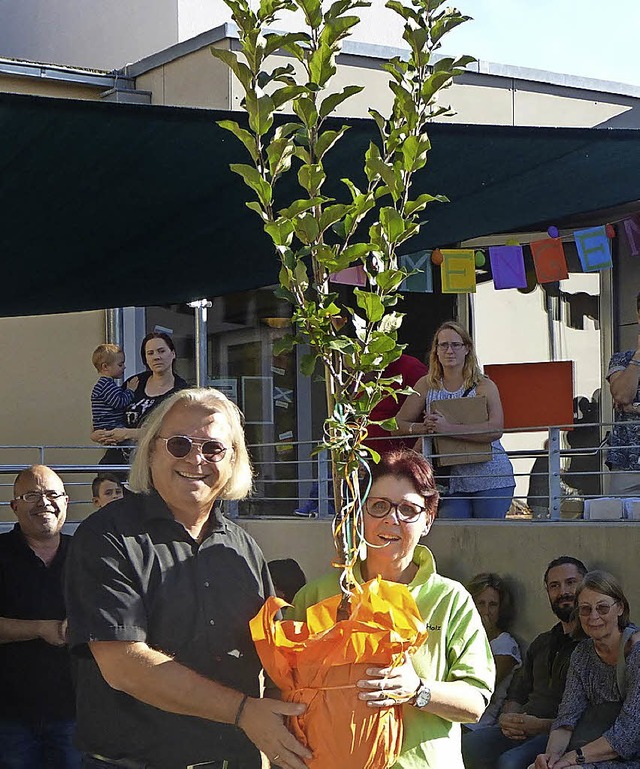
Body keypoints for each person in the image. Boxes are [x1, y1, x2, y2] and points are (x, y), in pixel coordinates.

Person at [65, 387, 311, 769]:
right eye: (179, 445)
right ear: (151, 451)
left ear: (233, 461)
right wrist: (244, 711)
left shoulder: (243, 549)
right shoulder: (106, 538)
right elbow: (124, 665)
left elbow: (272, 659)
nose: (196, 458)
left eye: (213, 448)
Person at [287, 449, 495, 769]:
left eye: (408, 509)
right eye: (379, 506)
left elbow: (475, 702)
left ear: (428, 520)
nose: (391, 519)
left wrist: (418, 690)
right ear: (361, 514)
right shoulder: (316, 595)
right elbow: (282, 685)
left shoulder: (451, 599)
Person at [462, 556, 588, 769]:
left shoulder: (591, 643)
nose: (563, 591)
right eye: (554, 586)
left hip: (559, 733)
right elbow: (517, 694)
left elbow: (590, 716)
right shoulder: (542, 642)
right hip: (522, 727)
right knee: (465, 747)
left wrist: (539, 726)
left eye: (570, 582)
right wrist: (510, 719)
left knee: (509, 763)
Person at [0, 465, 81, 769]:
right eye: (31, 495)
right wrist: (40, 629)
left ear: (66, 501)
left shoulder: (85, 555)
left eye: (52, 494)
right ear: (14, 506)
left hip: (74, 712)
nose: (44, 502)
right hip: (10, 716)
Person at [394, 321, 515, 518]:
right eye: (443, 345)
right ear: (436, 351)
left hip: (492, 477)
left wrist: (447, 428)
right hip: (450, 480)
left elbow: (495, 429)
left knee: (487, 536)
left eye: (455, 345)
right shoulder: (426, 385)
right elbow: (397, 425)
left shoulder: (484, 385)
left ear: (467, 349)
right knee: (453, 533)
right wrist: (423, 427)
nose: (449, 351)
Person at [532, 570, 640, 769]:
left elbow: (628, 735)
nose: (594, 616)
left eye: (603, 608)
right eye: (585, 609)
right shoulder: (582, 654)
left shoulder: (636, 652)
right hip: (596, 749)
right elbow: (567, 717)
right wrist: (552, 757)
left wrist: (572, 758)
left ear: (620, 608)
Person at [91, 331, 188, 463]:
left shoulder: (182, 392)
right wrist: (97, 434)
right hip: (116, 464)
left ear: (173, 354)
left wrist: (128, 433)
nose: (156, 357)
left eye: (161, 351)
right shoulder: (135, 382)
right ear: (145, 359)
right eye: (150, 353)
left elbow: (176, 433)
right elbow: (107, 410)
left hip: (155, 465)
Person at [466, 572, 522, 730]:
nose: (486, 611)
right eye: (481, 603)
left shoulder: (504, 645)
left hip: (475, 725)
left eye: (493, 605)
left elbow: (481, 685)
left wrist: (483, 636)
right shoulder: (461, 636)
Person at [606, 291, 640, 495]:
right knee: (619, 522)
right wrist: (638, 355)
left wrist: (634, 409)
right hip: (626, 462)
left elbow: (627, 402)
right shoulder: (622, 359)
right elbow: (622, 396)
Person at [90, 344, 137, 431]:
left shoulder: (104, 384)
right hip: (111, 427)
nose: (124, 367)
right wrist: (130, 390)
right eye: (120, 365)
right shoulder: (106, 386)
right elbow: (119, 402)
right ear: (105, 367)